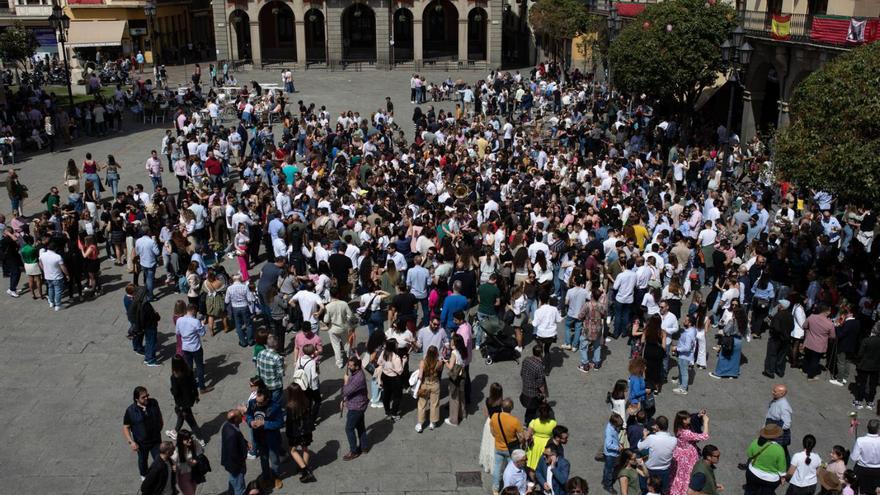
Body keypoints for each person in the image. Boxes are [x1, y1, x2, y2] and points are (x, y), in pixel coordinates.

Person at [246, 386, 285, 489]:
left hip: (271, 439)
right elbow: (249, 415)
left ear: (267, 399)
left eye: (260, 403)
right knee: (263, 459)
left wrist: (265, 423)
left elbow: (280, 423)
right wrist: (251, 422)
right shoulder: (252, 403)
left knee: (274, 460)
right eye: (257, 401)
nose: (257, 404)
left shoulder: (275, 407)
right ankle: (266, 477)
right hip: (259, 437)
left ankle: (276, 477)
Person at [122, 386, 164, 481]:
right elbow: (126, 427)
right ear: (136, 399)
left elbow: (159, 414)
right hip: (141, 443)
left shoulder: (153, 402)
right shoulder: (131, 411)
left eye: (147, 395)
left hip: (155, 439)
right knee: (142, 460)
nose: (146, 398)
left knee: (159, 460)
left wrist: (161, 424)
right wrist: (131, 442)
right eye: (143, 397)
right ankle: (144, 475)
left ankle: (158, 475)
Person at [669, 410, 710, 495]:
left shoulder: (678, 427)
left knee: (678, 474)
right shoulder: (686, 433)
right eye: (688, 418)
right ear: (684, 421)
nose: (690, 418)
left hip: (679, 454)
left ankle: (677, 489)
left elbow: (692, 417)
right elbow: (704, 436)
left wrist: (698, 415)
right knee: (686, 475)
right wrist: (706, 422)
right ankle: (684, 491)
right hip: (687, 457)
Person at [490, 398, 525, 493]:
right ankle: (510, 489)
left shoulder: (494, 416)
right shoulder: (515, 421)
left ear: (501, 407)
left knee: (497, 467)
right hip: (511, 449)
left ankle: (495, 489)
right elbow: (522, 437)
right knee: (512, 469)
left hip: (498, 447)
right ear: (512, 408)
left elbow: (492, 432)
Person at [167, 355, 204, 443]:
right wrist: (196, 395)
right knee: (181, 416)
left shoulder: (174, 377)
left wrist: (171, 389)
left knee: (191, 421)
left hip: (181, 403)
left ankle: (201, 439)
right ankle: (175, 431)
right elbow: (194, 385)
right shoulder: (189, 372)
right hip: (190, 399)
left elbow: (175, 392)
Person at [637, 415, 678, 494]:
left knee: (648, 491)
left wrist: (644, 436)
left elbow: (639, 447)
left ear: (657, 426)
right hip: (665, 471)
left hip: (651, 471)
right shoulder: (674, 440)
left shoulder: (652, 438)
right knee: (663, 492)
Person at [285, 383, 317, 483]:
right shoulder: (306, 401)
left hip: (296, 432)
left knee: (292, 450)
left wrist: (288, 433)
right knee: (305, 449)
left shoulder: (290, 406)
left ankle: (304, 470)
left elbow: (289, 423)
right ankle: (304, 467)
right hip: (306, 430)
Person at [744, 424, 788, 495]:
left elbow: (749, 454)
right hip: (770, 480)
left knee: (750, 492)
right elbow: (782, 469)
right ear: (776, 435)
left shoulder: (756, 442)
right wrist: (783, 478)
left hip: (753, 474)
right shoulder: (779, 449)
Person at [341, 355, 369, 460]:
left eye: (351, 365)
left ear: (357, 367)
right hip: (359, 404)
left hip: (356, 407)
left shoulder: (358, 378)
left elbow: (345, 391)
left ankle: (353, 451)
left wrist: (345, 381)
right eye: (348, 364)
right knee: (360, 426)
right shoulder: (356, 372)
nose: (349, 367)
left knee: (349, 428)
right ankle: (364, 446)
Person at [175, 303, 207, 390]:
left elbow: (177, 333)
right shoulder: (195, 321)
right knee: (200, 366)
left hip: (185, 347)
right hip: (195, 347)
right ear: (193, 310)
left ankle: (190, 385)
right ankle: (202, 387)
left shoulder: (179, 320)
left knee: (189, 367)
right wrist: (203, 324)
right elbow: (202, 333)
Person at [415, 345, 443, 432]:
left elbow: (420, 376)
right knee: (434, 404)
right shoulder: (439, 363)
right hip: (435, 384)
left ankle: (420, 424)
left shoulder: (423, 362)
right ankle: (432, 423)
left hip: (425, 384)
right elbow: (439, 371)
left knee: (422, 404)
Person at [220, 409, 248, 495]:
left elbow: (238, 438)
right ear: (235, 419)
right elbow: (233, 454)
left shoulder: (227, 425)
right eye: (240, 415)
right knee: (240, 488)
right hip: (236, 466)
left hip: (230, 464)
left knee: (233, 481)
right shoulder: (232, 434)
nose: (242, 416)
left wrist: (245, 442)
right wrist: (241, 464)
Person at [764, 300, 794, 379]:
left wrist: (772, 328)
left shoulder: (778, 315)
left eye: (779, 304)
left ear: (781, 306)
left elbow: (776, 328)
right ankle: (780, 371)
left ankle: (769, 371)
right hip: (786, 339)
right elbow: (792, 327)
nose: (778, 305)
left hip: (776, 338)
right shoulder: (790, 315)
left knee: (772, 354)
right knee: (782, 356)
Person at [520, 345, 548, 425]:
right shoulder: (539, 366)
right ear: (541, 353)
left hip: (525, 390)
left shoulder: (526, 360)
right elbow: (540, 384)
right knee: (532, 412)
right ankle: (528, 425)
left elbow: (522, 373)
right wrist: (544, 395)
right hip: (533, 394)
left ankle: (527, 421)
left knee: (529, 410)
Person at [480, 382, 504, 475]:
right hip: (497, 425)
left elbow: (486, 414)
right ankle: (494, 466)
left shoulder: (487, 401)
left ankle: (487, 466)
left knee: (487, 444)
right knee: (494, 446)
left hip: (489, 423)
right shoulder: (501, 403)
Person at [854, 325, 880, 409]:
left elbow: (860, 354)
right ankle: (870, 402)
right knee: (873, 384)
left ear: (872, 331)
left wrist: (858, 361)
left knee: (862, 383)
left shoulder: (866, 340)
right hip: (876, 366)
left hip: (864, 365)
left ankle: (859, 401)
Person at [445, 333, 468, 426]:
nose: (451, 341)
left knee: (454, 398)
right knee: (462, 397)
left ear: (455, 343)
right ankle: (463, 414)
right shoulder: (463, 351)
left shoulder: (454, 353)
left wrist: (445, 362)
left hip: (455, 378)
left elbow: (450, 367)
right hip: (462, 377)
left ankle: (453, 420)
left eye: (452, 340)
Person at [173, 429, 206, 495]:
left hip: (194, 474)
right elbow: (173, 467)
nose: (190, 440)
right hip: (183, 478)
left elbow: (200, 454)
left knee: (193, 492)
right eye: (186, 439)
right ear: (181, 440)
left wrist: (196, 461)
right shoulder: (176, 453)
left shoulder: (194, 443)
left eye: (190, 438)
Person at [852, 419, 880, 494]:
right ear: (878, 429)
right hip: (878, 471)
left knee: (857, 488)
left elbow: (854, 457)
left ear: (867, 427)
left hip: (862, 469)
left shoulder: (860, 440)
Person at [525, 401, 557, 469]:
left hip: (535, 445)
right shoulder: (553, 423)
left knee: (532, 465)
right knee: (545, 466)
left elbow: (527, 435)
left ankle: (533, 479)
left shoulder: (534, 422)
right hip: (548, 446)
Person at [766, 384, 793, 460]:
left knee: (781, 452)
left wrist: (773, 428)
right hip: (770, 429)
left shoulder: (784, 407)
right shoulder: (775, 401)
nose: (772, 392)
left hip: (775, 433)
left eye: (775, 391)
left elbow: (787, 424)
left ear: (782, 394)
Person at [602, 413, 624, 493]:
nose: (619, 427)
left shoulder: (611, 426)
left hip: (610, 453)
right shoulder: (609, 431)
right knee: (609, 470)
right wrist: (618, 448)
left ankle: (605, 481)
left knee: (607, 468)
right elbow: (608, 445)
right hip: (610, 454)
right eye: (618, 425)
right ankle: (608, 486)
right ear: (614, 423)